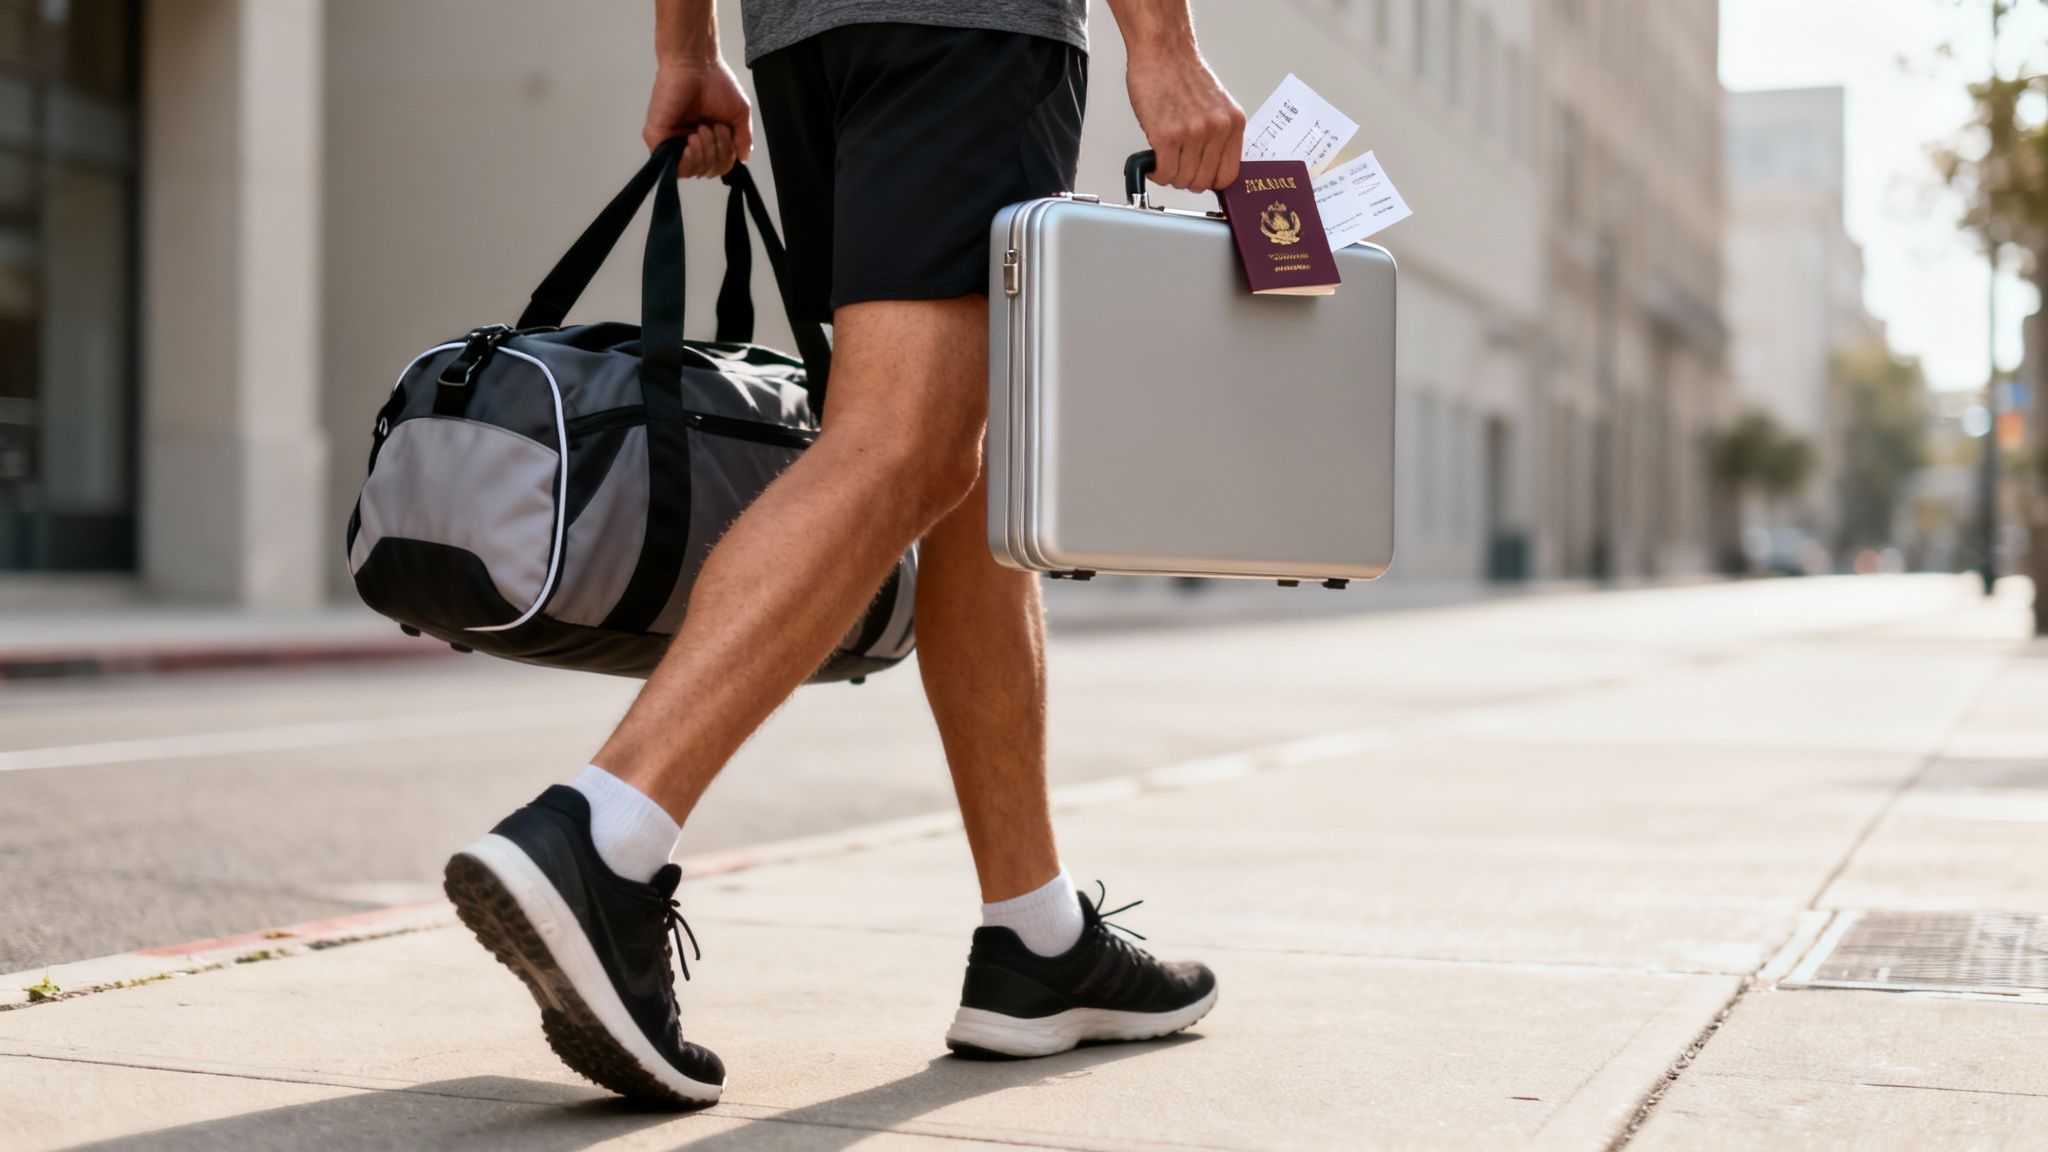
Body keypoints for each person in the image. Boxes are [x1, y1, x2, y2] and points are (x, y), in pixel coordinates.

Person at [442, 0, 1246, 1108]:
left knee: (960, 456)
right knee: (903, 445)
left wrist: (685, 44)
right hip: (971, 28)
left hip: (806, 41)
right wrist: (1163, 44)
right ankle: (603, 833)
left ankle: (1035, 936)